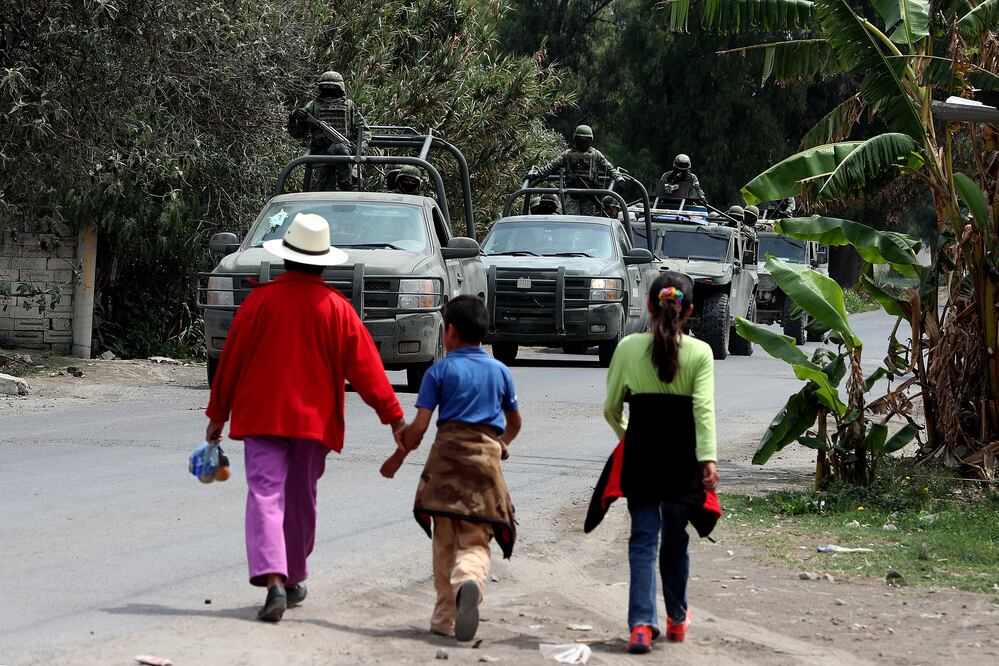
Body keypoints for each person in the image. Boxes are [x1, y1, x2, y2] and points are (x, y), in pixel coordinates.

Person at [205, 213, 405, 623]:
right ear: (325, 263)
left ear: (285, 257)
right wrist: (394, 418)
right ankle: (293, 576)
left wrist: (217, 415)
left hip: (260, 417)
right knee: (300, 500)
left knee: (265, 495)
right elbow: (366, 369)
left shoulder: (257, 302)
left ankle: (276, 580)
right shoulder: (338, 309)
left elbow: (230, 363)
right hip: (314, 423)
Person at [387, 295, 522, 642]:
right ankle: (470, 580)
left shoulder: (439, 371)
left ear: (450, 333)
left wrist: (401, 447)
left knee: (444, 541)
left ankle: (444, 618)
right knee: (476, 537)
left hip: (445, 465)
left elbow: (419, 426)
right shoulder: (500, 371)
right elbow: (515, 422)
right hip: (485, 465)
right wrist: (500, 445)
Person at [599, 271, 718, 655]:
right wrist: (707, 458)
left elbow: (611, 408)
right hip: (683, 460)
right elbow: (703, 409)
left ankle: (639, 626)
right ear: (690, 311)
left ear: (649, 306)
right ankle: (677, 619)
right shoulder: (700, 353)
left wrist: (628, 437)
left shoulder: (627, 348)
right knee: (676, 538)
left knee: (642, 539)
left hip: (642, 458)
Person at [287, 70, 371, 191]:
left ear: (340, 88)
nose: (329, 89)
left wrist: (361, 148)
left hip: (348, 160)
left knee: (350, 193)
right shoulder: (313, 106)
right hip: (321, 160)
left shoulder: (349, 106)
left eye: (332, 87)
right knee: (318, 197)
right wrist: (294, 117)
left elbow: (364, 131)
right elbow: (297, 133)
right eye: (326, 87)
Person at [529, 125, 624, 216]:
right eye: (581, 140)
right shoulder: (567, 154)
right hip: (572, 193)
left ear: (591, 140)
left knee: (588, 221)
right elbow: (552, 166)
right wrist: (536, 175)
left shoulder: (596, 155)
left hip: (589, 194)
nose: (583, 143)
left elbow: (609, 168)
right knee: (571, 220)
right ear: (575, 139)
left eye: (587, 140)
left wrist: (619, 179)